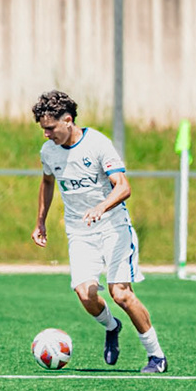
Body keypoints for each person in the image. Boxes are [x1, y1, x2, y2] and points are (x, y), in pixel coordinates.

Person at [30, 89, 167, 373]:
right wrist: (40, 221)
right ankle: (111, 326)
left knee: (121, 295)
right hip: (79, 232)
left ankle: (156, 356)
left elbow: (123, 186)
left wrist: (101, 207)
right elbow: (47, 182)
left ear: (68, 120)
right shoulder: (48, 151)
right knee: (84, 294)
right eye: (43, 129)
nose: (46, 135)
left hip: (113, 227)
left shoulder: (97, 144)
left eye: (50, 128)